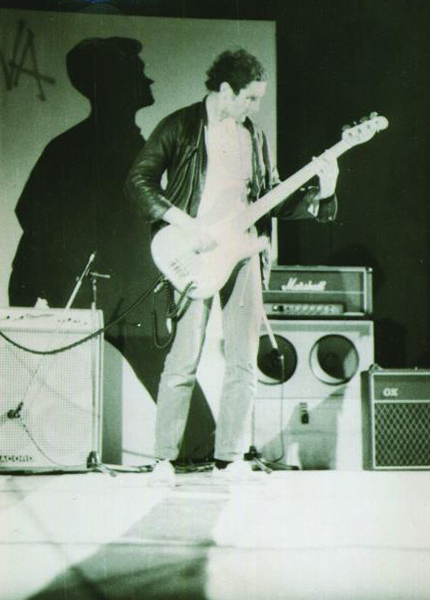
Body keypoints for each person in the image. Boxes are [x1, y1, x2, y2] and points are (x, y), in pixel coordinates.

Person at [126, 48, 339, 480]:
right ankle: (164, 457)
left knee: (243, 361)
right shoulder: (182, 126)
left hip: (243, 252)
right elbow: (139, 180)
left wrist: (326, 187)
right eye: (250, 98)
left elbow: (273, 198)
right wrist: (184, 223)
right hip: (195, 254)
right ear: (225, 90)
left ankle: (230, 457)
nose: (255, 107)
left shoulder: (253, 137)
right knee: (183, 360)